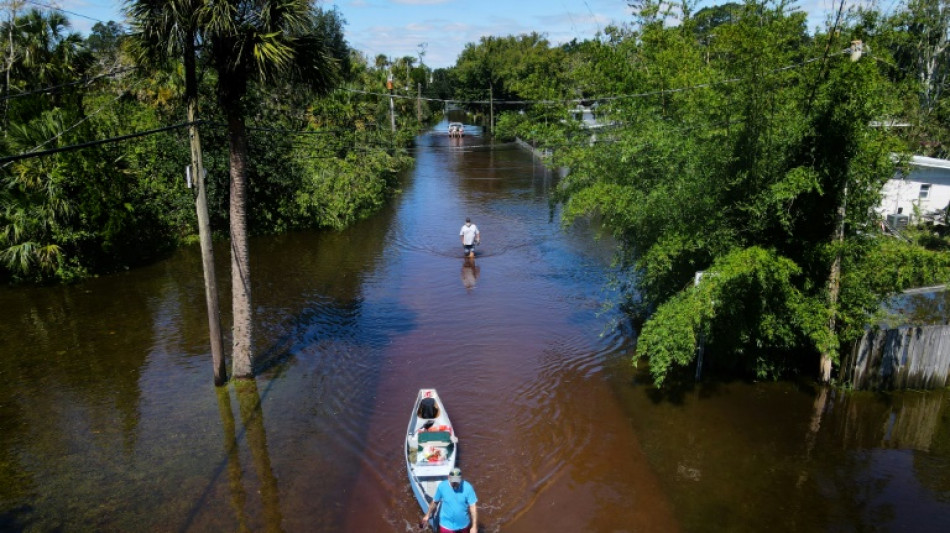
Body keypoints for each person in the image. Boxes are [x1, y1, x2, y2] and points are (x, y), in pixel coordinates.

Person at [422, 467, 477, 533]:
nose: (455, 483)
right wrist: (427, 515)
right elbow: (435, 502)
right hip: (446, 525)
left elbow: (473, 507)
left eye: (457, 481)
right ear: (448, 477)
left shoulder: (468, 487)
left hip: (463, 525)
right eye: (453, 481)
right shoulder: (442, 486)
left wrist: (474, 526)